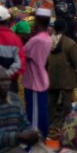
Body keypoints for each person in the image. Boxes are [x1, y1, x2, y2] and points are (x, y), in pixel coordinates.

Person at [22, 9, 53, 137]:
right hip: (40, 80)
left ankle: (35, 146)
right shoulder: (46, 37)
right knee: (41, 113)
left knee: (34, 119)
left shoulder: (37, 40)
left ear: (38, 21)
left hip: (35, 82)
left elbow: (23, 54)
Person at [48, 17, 77, 133]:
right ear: (65, 28)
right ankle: (68, 123)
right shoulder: (70, 43)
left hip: (51, 75)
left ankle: (49, 121)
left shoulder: (48, 41)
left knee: (51, 99)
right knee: (67, 100)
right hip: (66, 76)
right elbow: (75, 62)